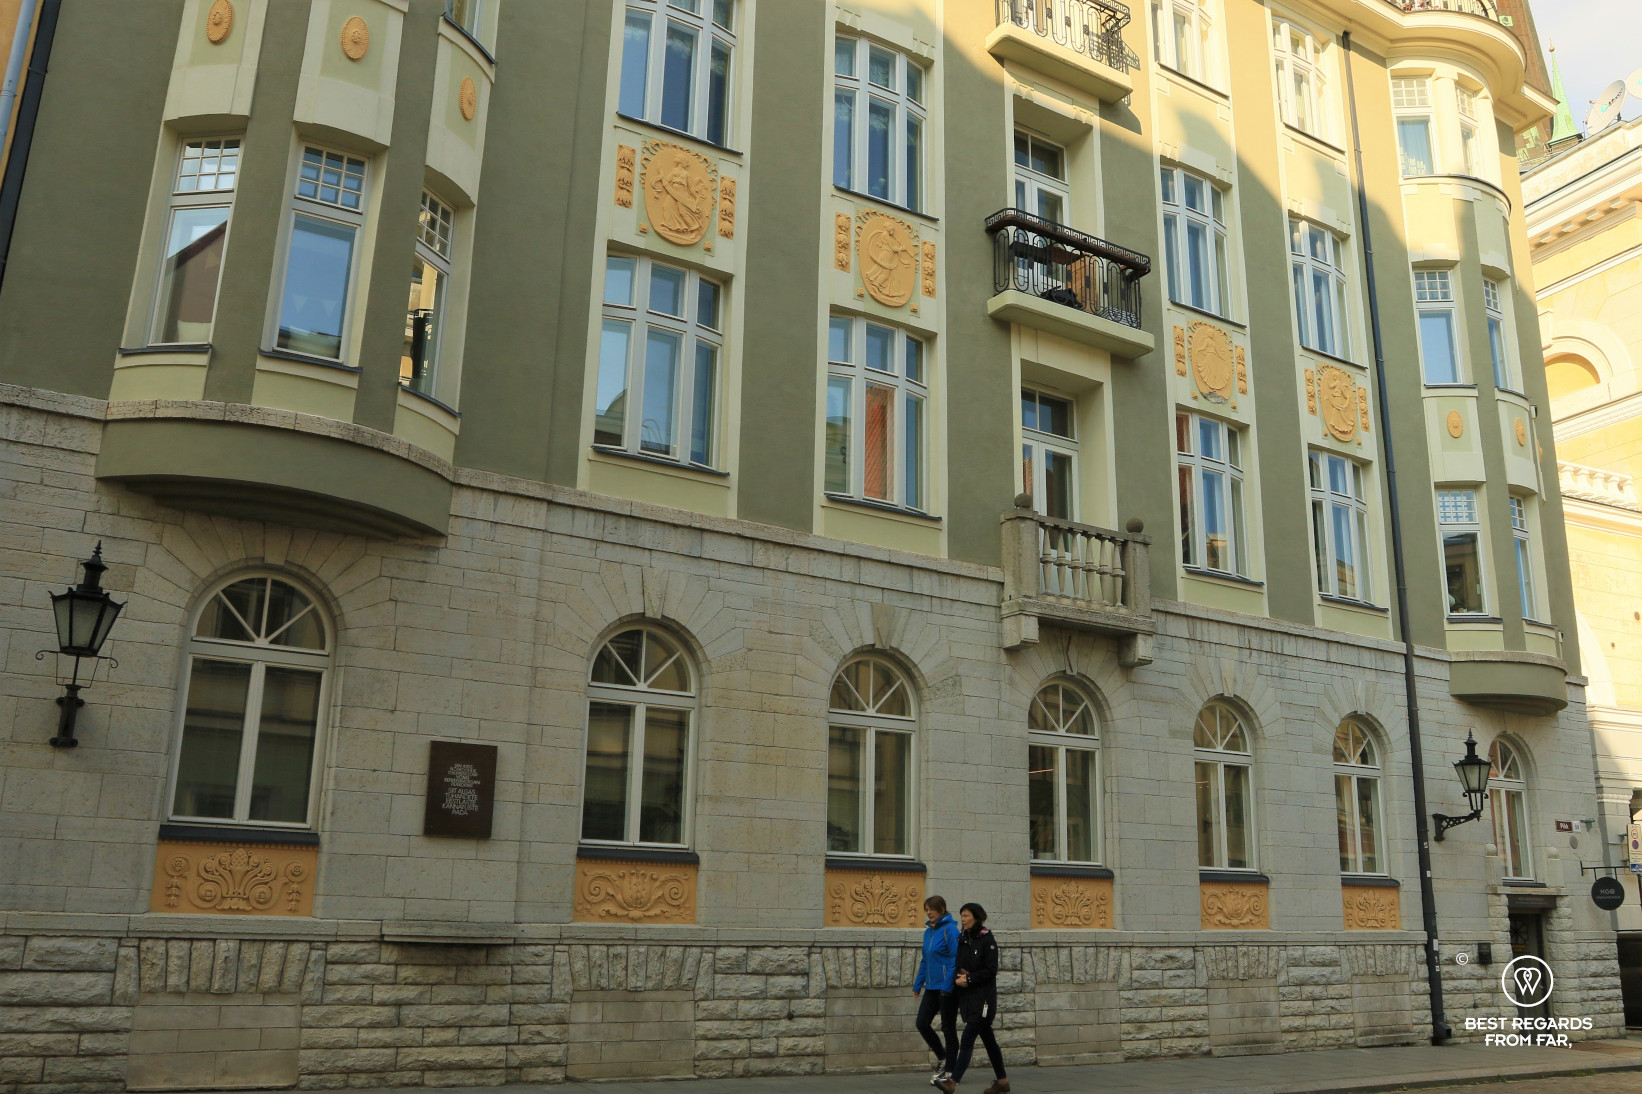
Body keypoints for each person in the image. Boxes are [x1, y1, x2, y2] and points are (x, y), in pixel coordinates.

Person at [938, 903, 1008, 1094]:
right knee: (989, 1041)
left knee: (968, 1038)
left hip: (984, 1001)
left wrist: (969, 979)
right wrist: (958, 979)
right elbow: (958, 964)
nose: (963, 919)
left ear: (976, 917)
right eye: (961, 915)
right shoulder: (963, 939)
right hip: (968, 999)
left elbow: (990, 970)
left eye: (966, 915)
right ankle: (1002, 1081)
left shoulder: (987, 940)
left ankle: (952, 1081)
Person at [913, 895, 960, 1086]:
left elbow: (956, 960)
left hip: (947, 987)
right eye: (926, 909)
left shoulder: (950, 930)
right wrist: (918, 984)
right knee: (922, 1023)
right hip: (932, 987)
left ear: (942, 908)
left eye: (932, 909)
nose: (929, 912)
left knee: (948, 1028)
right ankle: (943, 1058)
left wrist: (948, 985)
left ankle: (950, 1071)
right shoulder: (928, 932)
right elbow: (925, 960)